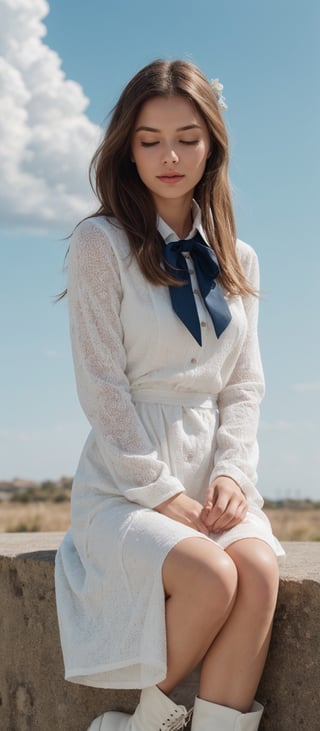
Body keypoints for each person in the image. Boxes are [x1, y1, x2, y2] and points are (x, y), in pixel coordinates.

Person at [55, 59, 284, 731]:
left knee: (258, 570)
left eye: (187, 136)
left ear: (211, 141)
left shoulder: (239, 256)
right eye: (149, 139)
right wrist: (159, 491)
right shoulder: (101, 242)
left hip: (210, 474)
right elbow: (101, 385)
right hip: (126, 486)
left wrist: (233, 473)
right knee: (213, 576)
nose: (171, 155)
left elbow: (243, 382)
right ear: (127, 147)